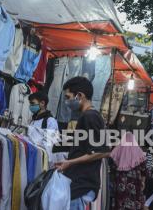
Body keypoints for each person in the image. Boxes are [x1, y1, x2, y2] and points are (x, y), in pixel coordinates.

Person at [54, 77, 110, 210]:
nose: (67, 102)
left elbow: (103, 152)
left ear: (79, 95)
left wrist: (70, 163)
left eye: (68, 97)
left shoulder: (90, 116)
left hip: (81, 185)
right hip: (79, 183)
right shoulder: (89, 116)